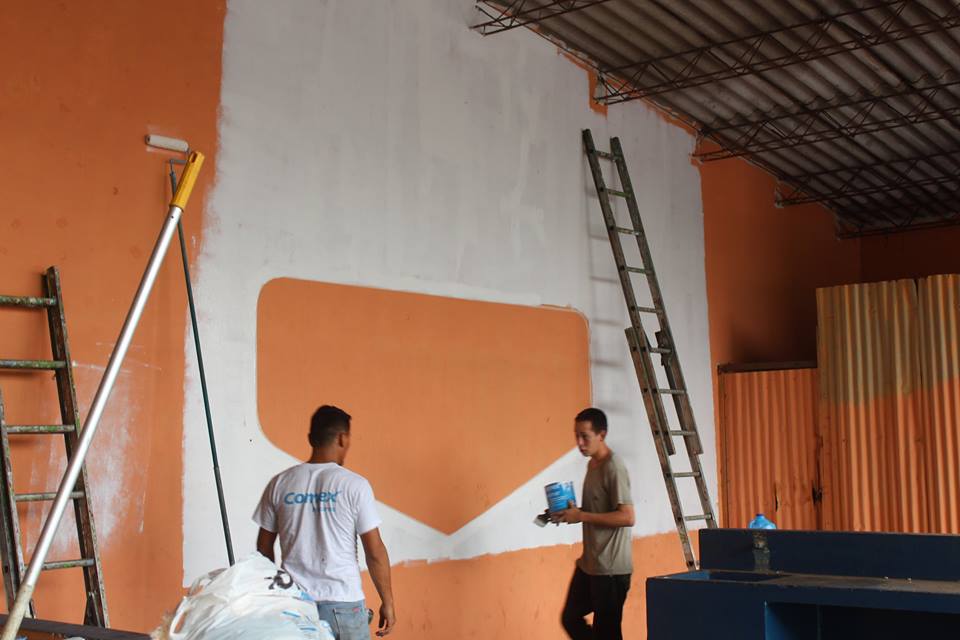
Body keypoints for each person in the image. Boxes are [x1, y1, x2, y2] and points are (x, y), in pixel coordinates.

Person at [253, 405, 396, 639]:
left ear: (311, 438)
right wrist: (387, 601)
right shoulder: (354, 485)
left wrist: (276, 593)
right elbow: (375, 551)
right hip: (344, 605)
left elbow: (263, 549)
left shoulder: (280, 483)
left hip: (295, 606)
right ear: (342, 438)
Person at [551, 407, 635, 640]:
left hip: (611, 570)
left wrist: (582, 516)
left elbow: (628, 517)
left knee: (606, 633)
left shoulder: (613, 467)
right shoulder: (592, 465)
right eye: (576, 435)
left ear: (602, 435)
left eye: (585, 436)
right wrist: (568, 513)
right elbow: (594, 512)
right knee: (570, 618)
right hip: (590, 564)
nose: (579, 442)